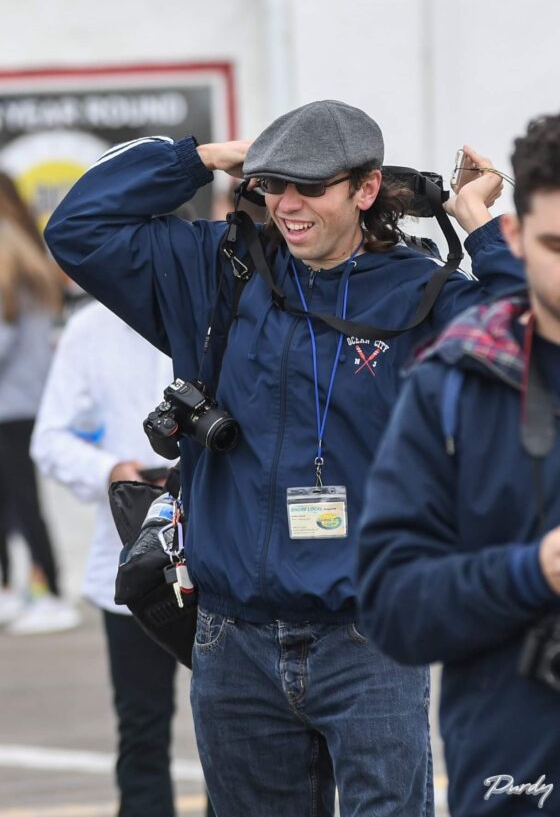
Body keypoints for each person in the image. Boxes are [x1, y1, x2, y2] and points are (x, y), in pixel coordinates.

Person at [44, 100, 524, 816]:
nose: (288, 206)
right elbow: (77, 228)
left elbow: (531, 347)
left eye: (311, 187)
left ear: (366, 189)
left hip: (369, 640)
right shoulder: (219, 268)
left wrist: (479, 225)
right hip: (231, 639)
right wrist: (199, 157)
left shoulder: (423, 293)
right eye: (273, 185)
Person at [357, 114, 560, 817]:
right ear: (516, 239)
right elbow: (393, 608)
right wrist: (534, 572)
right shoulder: (453, 386)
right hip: (520, 782)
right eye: (557, 246)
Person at [31, 300, 184, 817]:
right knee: (142, 722)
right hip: (132, 552)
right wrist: (110, 469)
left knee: (235, 723)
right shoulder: (89, 328)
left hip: (217, 544)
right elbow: (49, 438)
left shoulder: (214, 304)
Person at [0, 196, 79, 633]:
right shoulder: (29, 267)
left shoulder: (7, 274)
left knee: (23, 502)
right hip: (26, 401)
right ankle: (29, 588)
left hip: (11, 406)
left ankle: (46, 590)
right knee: (18, 501)